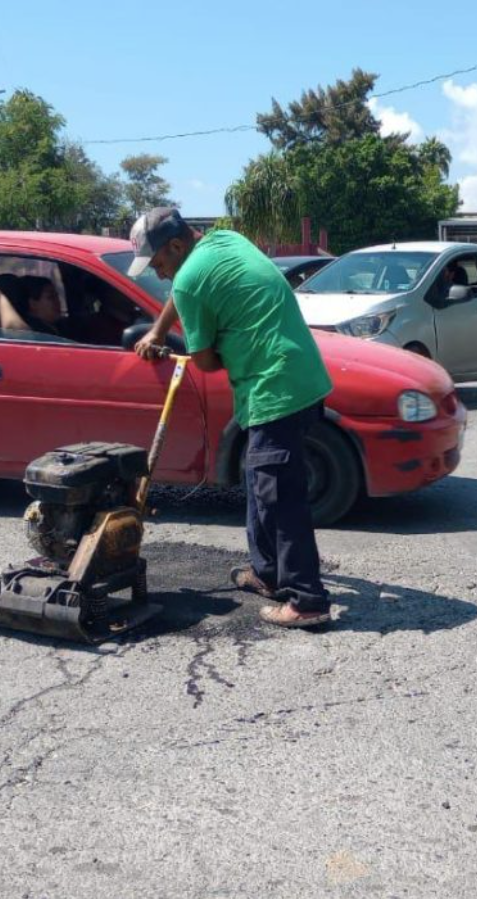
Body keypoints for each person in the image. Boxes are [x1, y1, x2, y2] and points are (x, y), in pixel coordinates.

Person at [129, 208, 335, 628]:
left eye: (160, 264)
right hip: (302, 377)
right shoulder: (226, 242)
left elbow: (203, 361)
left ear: (175, 246)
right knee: (261, 481)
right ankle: (267, 573)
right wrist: (157, 329)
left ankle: (307, 600)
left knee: (280, 498)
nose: (161, 275)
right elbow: (185, 289)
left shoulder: (188, 281)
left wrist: (217, 344)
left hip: (275, 389)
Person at [0, 274, 71, 339]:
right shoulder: (37, 330)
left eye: (57, 296)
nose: (58, 302)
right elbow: (18, 336)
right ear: (32, 303)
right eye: (51, 297)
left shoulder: (58, 325)